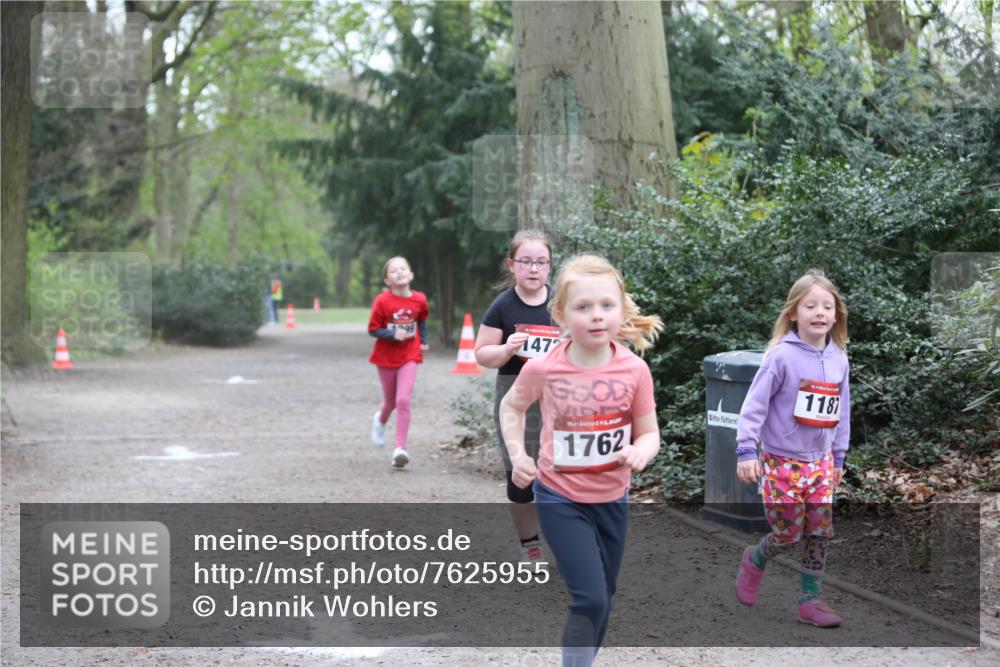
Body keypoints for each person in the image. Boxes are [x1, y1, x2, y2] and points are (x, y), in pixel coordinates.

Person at [499, 254, 663, 666]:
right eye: (583, 307)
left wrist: (641, 451)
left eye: (606, 306)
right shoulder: (544, 368)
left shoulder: (634, 370)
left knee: (603, 599)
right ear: (561, 314)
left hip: (613, 499)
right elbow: (512, 407)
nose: (596, 316)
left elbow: (649, 432)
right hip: (560, 497)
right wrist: (518, 454)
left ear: (621, 310)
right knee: (588, 597)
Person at [734, 269, 851, 628]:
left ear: (836, 315)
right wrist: (746, 450)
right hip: (781, 462)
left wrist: (839, 457)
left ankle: (809, 602)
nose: (819, 312)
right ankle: (756, 558)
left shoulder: (839, 359)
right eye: (810, 305)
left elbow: (842, 411)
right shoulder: (781, 356)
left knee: (819, 532)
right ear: (793, 314)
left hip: (820, 465)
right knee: (788, 533)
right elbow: (755, 405)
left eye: (827, 307)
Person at [475, 230, 560, 567]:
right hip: (515, 396)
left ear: (550, 267)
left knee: (560, 468)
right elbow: (482, 354)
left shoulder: (560, 303)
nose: (534, 269)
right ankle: (530, 545)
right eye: (526, 262)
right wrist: (506, 348)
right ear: (512, 265)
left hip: (557, 397)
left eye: (541, 262)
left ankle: (567, 537)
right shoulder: (503, 306)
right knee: (520, 471)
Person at [367, 256, 429, 468]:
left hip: (410, 354)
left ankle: (400, 449)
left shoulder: (419, 299)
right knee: (390, 401)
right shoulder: (382, 301)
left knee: (403, 400)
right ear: (387, 280)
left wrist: (424, 340)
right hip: (385, 356)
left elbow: (422, 320)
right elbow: (373, 329)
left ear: (411, 275)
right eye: (394, 271)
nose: (399, 272)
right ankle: (380, 420)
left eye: (403, 269)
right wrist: (393, 335)